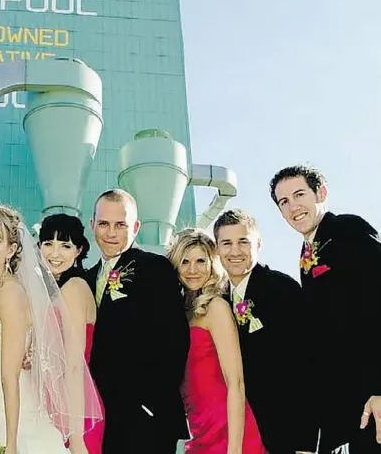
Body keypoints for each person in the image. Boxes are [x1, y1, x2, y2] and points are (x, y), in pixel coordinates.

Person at [0, 205, 101, 453]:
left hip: (12, 409)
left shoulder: (15, 294)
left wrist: (11, 442)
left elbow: (12, 375)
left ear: (12, 249)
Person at [271, 165, 381, 453]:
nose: (293, 207)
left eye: (299, 194)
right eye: (284, 202)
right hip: (342, 405)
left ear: (321, 192)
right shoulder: (306, 255)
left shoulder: (347, 230)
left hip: (371, 399)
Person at [86, 189, 189, 454]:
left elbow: (175, 341)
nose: (110, 233)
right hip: (97, 418)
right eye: (104, 224)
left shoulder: (155, 268)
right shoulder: (84, 279)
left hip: (145, 418)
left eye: (120, 225)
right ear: (92, 224)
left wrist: (149, 405)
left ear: (135, 227)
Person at [213, 209, 315, 454]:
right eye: (226, 243)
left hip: (286, 435)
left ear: (258, 244)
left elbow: (308, 366)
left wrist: (305, 443)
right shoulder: (216, 300)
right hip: (236, 433)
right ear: (217, 248)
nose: (235, 251)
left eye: (243, 242)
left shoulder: (283, 289)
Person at [167, 228, 266, 454]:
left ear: (212, 264)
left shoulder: (216, 308)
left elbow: (236, 383)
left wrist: (234, 450)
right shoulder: (179, 313)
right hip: (200, 429)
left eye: (201, 261)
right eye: (185, 261)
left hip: (229, 433)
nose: (193, 270)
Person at [38, 213, 104, 453]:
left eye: (65, 246)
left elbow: (75, 366)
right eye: (48, 244)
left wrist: (76, 437)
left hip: (76, 411)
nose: (55, 254)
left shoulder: (74, 288)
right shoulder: (53, 290)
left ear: (78, 251)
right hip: (54, 405)